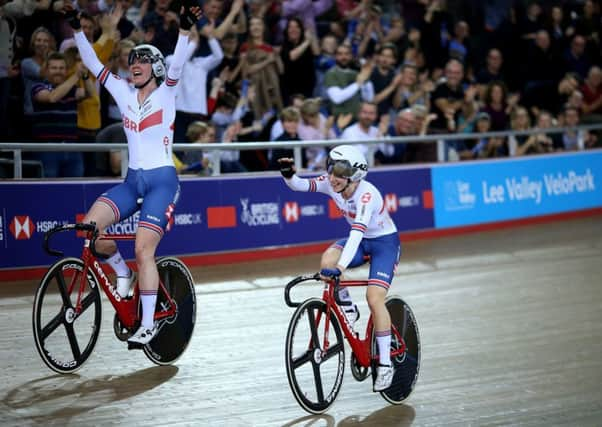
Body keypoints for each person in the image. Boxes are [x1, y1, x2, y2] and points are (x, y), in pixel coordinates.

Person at [67, 0, 202, 346]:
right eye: (133, 60)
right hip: (133, 181)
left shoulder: (167, 92)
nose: (135, 64)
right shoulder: (123, 92)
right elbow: (92, 62)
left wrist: (185, 30)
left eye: (143, 60)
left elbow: (181, 59)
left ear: (155, 68)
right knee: (89, 230)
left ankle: (146, 322)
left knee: (144, 250)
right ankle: (121, 271)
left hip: (162, 182)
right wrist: (78, 30)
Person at [277, 145, 400, 392]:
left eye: (339, 173)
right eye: (331, 169)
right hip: (362, 240)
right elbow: (301, 185)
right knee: (327, 260)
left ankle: (386, 363)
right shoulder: (333, 183)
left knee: (374, 298)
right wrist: (288, 175)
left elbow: (356, 233)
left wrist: (341, 267)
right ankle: (347, 307)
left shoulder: (367, 195)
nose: (332, 177)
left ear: (354, 176)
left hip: (384, 243)